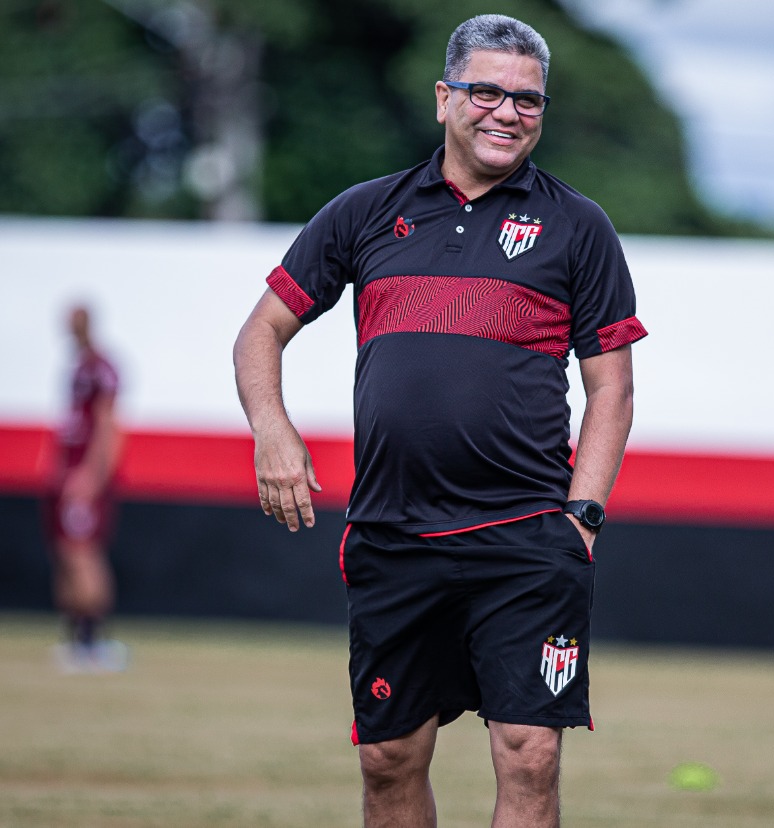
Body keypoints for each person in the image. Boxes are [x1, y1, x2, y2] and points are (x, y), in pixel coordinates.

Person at [232, 14, 645, 828]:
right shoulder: (363, 212)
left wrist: (582, 517)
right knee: (389, 760)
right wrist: (272, 431)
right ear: (443, 98)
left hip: (526, 537)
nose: (507, 112)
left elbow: (613, 390)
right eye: (486, 91)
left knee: (530, 753)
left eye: (528, 99)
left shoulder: (578, 226)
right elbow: (261, 331)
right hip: (393, 534)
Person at [43, 304, 128, 673]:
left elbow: (108, 426)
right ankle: (76, 638)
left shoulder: (101, 370)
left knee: (83, 554)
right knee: (65, 554)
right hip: (66, 476)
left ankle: (94, 643)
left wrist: (91, 476)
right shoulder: (77, 368)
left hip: (83, 478)